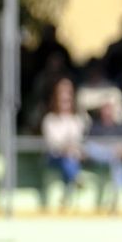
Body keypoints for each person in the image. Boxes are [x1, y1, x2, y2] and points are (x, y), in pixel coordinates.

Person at [40, 78, 87, 207]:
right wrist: (67, 148)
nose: (65, 99)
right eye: (61, 94)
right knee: (68, 159)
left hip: (74, 157)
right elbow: (53, 144)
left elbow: (80, 141)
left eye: (68, 95)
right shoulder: (50, 119)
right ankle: (75, 179)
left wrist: (72, 149)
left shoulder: (78, 119)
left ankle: (66, 199)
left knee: (70, 160)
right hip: (54, 158)